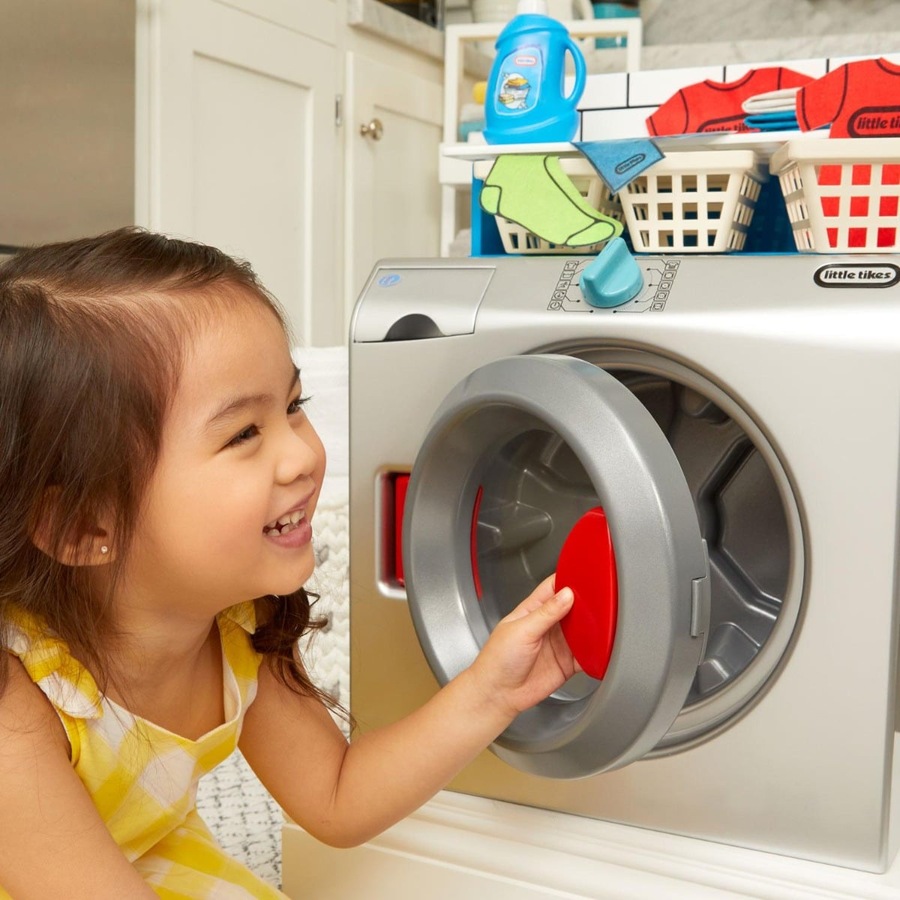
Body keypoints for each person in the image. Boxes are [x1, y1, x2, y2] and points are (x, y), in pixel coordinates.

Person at [0, 228, 577, 899]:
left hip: (133, 855)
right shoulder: (18, 708)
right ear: (84, 525)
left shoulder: (235, 626)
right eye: (244, 432)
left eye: (294, 405)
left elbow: (336, 797)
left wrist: (492, 690)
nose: (303, 454)